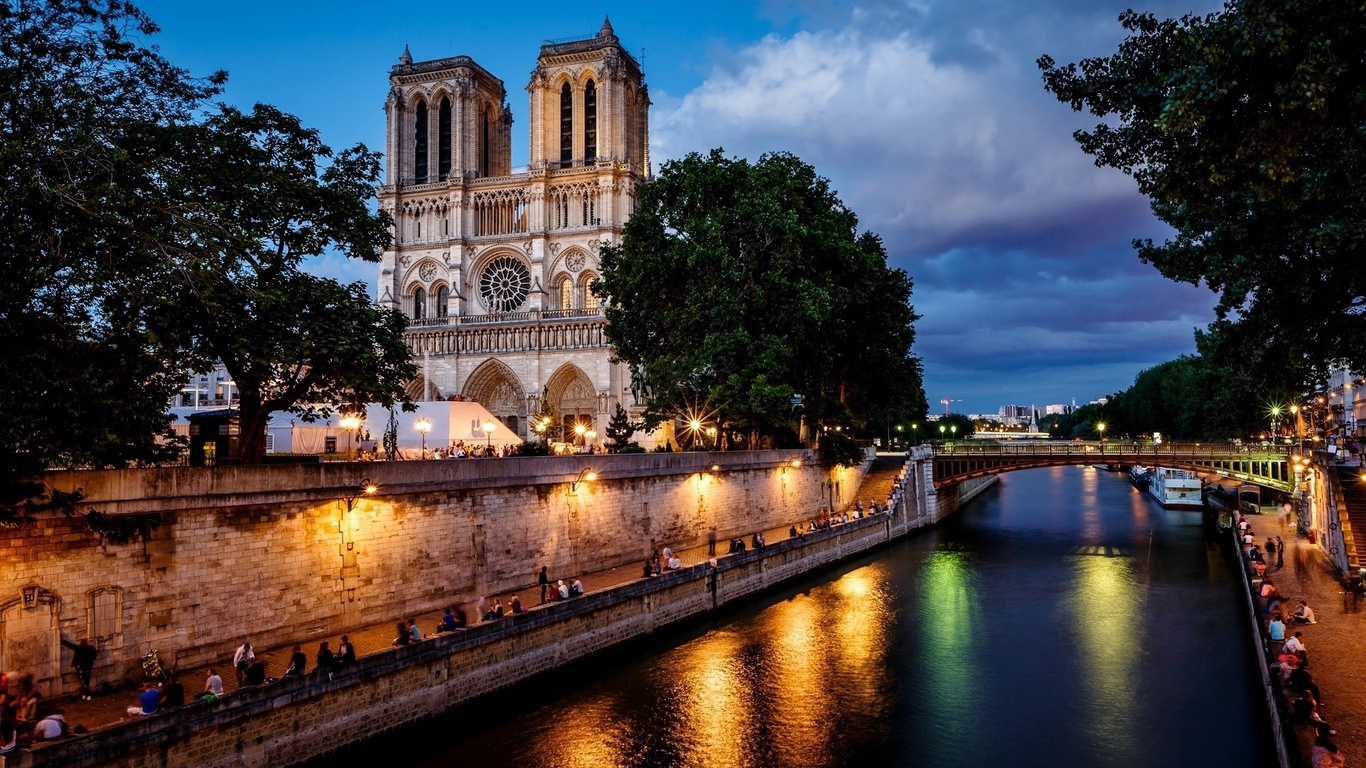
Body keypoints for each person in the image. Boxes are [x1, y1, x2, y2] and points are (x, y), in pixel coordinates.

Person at [61, 636, 98, 701]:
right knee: (82, 680)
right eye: (81, 643)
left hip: (87, 667)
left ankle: (86, 694)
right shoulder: (78, 648)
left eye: (83, 643)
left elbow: (95, 653)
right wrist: (62, 640)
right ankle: (86, 693)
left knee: (86, 680)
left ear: (86, 643)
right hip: (80, 667)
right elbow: (70, 645)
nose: (82, 644)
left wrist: (91, 661)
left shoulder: (90, 648)